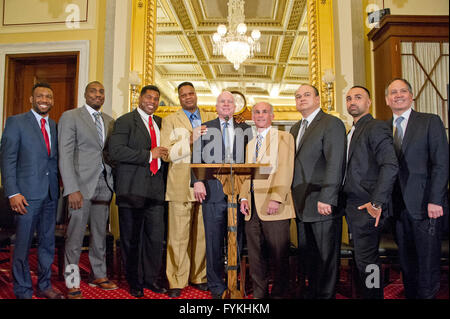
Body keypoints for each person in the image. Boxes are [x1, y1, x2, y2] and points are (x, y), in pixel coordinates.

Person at [385, 78, 449, 299]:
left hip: (425, 205)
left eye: (403, 91)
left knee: (427, 265)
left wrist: (436, 200)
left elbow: (441, 163)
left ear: (411, 96)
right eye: (393, 92)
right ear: (387, 99)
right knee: (407, 265)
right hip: (397, 209)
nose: (398, 95)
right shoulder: (383, 128)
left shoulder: (429, 121)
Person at [0, 83, 64, 299]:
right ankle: (23, 289)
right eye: (39, 96)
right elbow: (7, 160)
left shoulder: (54, 126)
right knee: (23, 245)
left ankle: (44, 285)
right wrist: (12, 193)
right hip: (25, 196)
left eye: (48, 96)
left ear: (52, 101)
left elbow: (52, 161)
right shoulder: (16, 122)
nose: (44, 99)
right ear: (31, 99)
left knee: (47, 244)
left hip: (50, 195)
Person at [58, 81, 117, 299]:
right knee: (74, 237)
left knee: (99, 235)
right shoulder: (71, 117)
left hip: (104, 184)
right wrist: (71, 188)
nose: (98, 95)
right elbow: (65, 155)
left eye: (102, 91)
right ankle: (72, 281)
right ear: (85, 94)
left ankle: (98, 274)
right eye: (93, 91)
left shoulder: (110, 121)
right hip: (80, 188)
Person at [108, 85, 168, 298]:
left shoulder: (161, 123)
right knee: (132, 240)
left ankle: (150, 279)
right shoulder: (125, 121)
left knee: (154, 238)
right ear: (140, 98)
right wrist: (148, 155)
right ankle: (134, 282)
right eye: (148, 97)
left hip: (156, 190)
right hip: (131, 189)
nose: (152, 101)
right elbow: (115, 151)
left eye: (156, 98)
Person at [191, 91, 252, 299]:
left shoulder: (245, 129)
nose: (226, 104)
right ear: (216, 106)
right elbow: (196, 156)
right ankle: (216, 286)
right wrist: (197, 181)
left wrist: (245, 196)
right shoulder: (205, 127)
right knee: (214, 241)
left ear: (234, 107)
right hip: (212, 192)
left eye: (230, 102)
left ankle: (236, 284)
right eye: (222, 101)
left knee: (237, 240)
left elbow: (250, 163)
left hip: (238, 195)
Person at [290, 84, 346, 299]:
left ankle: (325, 295)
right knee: (309, 256)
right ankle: (312, 293)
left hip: (322, 203)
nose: (301, 99)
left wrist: (327, 197)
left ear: (318, 99)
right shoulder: (295, 128)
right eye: (297, 96)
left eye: (306, 95)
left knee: (326, 259)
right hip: (302, 204)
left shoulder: (331, 123)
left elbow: (335, 162)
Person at [342, 86, 398, 299]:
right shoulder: (352, 131)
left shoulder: (375, 127)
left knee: (368, 263)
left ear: (369, 102)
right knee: (361, 262)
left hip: (367, 206)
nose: (352, 102)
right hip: (351, 204)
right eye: (348, 98)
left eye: (358, 97)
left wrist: (377, 203)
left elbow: (390, 165)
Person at [160, 82, 215, 297]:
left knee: (202, 235)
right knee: (178, 236)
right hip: (180, 185)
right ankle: (176, 280)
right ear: (179, 98)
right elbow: (166, 154)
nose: (188, 97)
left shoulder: (211, 116)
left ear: (196, 95)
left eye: (191, 93)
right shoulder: (170, 120)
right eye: (183, 95)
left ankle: (199, 276)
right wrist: (189, 139)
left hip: (207, 184)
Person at [239, 102, 295, 299]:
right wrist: (243, 197)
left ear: (272, 115)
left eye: (264, 112)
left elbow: (285, 169)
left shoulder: (284, 137)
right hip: (252, 209)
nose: (260, 115)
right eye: (257, 112)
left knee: (279, 257)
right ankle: (259, 296)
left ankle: (280, 295)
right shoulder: (250, 144)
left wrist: (277, 198)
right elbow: (247, 174)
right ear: (253, 117)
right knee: (256, 258)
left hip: (274, 206)